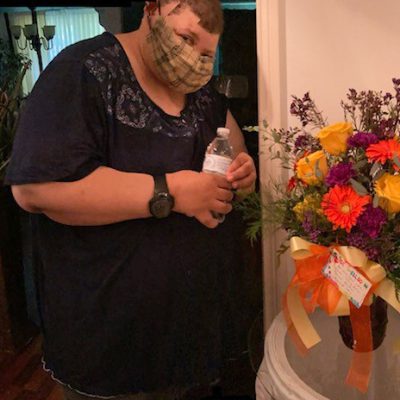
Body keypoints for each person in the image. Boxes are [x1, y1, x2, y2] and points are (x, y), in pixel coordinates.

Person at [5, 0, 257, 399]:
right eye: (186, 38)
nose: (194, 59)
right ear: (153, 9)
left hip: (188, 338)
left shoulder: (202, 94)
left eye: (206, 53)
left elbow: (235, 146)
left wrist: (244, 171)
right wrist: (171, 192)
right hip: (109, 344)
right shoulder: (83, 71)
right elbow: (35, 188)